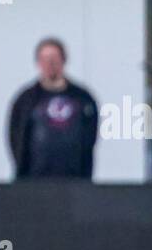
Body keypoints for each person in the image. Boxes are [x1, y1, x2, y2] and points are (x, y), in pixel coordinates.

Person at [7, 37, 98, 179]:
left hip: (74, 181)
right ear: (38, 62)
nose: (50, 63)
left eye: (54, 58)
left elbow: (90, 137)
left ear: (63, 60)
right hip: (34, 180)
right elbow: (15, 136)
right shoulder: (25, 99)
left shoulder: (82, 98)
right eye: (45, 58)